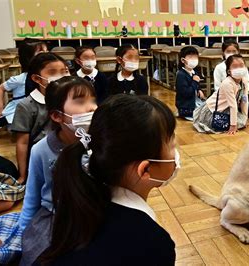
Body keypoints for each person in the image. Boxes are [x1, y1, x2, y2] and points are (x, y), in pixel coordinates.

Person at [40, 94, 176, 265]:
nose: (176, 154)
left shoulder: (85, 199)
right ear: (145, 169)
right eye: (172, 145)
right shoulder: (153, 244)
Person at [18, 76, 97, 265]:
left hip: (93, 214)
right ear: (56, 116)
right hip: (55, 219)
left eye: (93, 100)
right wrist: (23, 232)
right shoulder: (40, 150)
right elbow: (32, 196)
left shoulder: (101, 143)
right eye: (80, 101)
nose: (93, 107)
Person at [10, 52, 69, 184]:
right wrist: (23, 175)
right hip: (43, 157)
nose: (60, 77)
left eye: (64, 71)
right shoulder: (26, 106)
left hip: (68, 152)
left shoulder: (70, 100)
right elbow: (22, 143)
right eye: (53, 72)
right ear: (36, 79)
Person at [0, 39, 47, 140]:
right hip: (18, 108)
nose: (46, 54)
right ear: (28, 57)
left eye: (46, 51)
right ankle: (0, 122)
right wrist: (0, 108)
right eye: (41, 52)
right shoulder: (19, 79)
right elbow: (0, 88)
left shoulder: (46, 76)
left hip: (36, 106)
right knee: (19, 118)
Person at [193, 54, 249, 134]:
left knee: (242, 122)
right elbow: (232, 105)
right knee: (228, 125)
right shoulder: (228, 83)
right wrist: (233, 125)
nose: (239, 69)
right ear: (229, 71)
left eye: (241, 65)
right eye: (235, 66)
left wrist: (245, 117)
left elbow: (244, 100)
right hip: (214, 110)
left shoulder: (244, 81)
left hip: (227, 109)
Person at [175, 46, 205, 120]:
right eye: (190, 57)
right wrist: (195, 82)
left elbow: (196, 86)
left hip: (194, 102)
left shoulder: (194, 72)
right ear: (183, 60)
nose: (194, 59)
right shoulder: (181, 75)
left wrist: (199, 90)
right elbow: (186, 93)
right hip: (186, 107)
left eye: (195, 57)